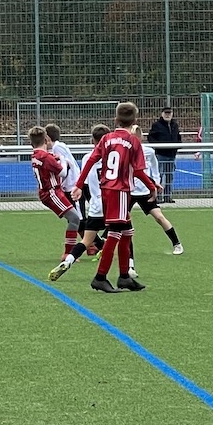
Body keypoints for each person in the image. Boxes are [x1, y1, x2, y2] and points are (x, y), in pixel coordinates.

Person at [72, 102, 157, 293]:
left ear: (115, 120)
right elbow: (138, 170)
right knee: (115, 234)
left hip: (107, 190)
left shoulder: (106, 138)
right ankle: (100, 277)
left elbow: (91, 160)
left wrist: (78, 184)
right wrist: (152, 186)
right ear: (135, 121)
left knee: (127, 232)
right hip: (119, 190)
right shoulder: (133, 141)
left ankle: (124, 276)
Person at [48, 124, 110, 283]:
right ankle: (106, 252)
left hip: (74, 187)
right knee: (122, 231)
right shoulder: (60, 147)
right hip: (91, 191)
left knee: (79, 221)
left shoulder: (59, 148)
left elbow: (65, 167)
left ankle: (75, 255)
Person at [130, 125, 184, 257]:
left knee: (159, 217)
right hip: (129, 191)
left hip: (145, 191)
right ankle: (103, 246)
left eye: (137, 136)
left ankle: (177, 244)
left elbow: (154, 169)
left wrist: (156, 182)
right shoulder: (125, 151)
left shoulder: (148, 152)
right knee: (119, 220)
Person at [30, 127, 78, 260]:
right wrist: (63, 160)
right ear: (46, 140)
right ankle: (68, 253)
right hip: (52, 192)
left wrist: (55, 158)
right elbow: (63, 172)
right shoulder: (46, 157)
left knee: (74, 218)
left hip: (49, 192)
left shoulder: (35, 155)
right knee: (75, 218)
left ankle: (72, 251)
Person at [146, 106, 181, 202]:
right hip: (161, 154)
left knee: (170, 176)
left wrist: (178, 145)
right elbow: (151, 137)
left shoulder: (174, 125)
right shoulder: (156, 125)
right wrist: (158, 146)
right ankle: (157, 196)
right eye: (166, 113)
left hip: (172, 155)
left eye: (169, 113)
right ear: (162, 114)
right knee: (159, 176)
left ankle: (167, 196)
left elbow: (178, 136)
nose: (167, 115)